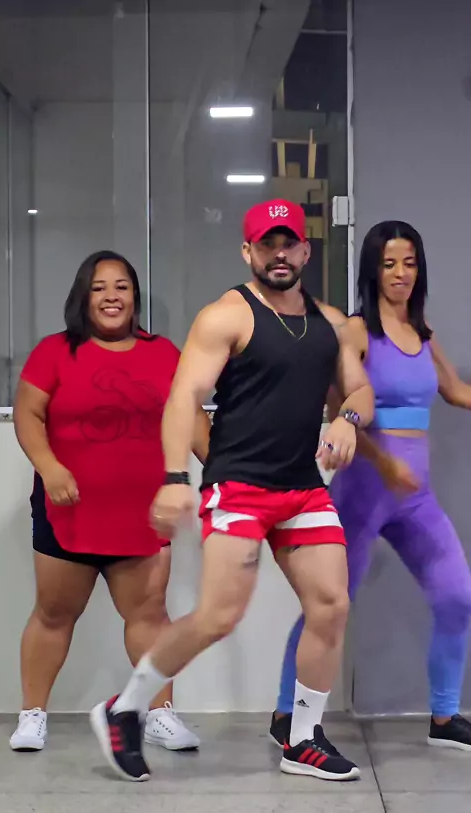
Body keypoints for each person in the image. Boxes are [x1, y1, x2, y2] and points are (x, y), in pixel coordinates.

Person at [89, 199, 374, 783]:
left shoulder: (331, 324)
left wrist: (348, 420)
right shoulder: (226, 315)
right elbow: (183, 397)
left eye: (288, 243)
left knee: (332, 605)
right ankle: (126, 709)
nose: (279, 254)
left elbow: (359, 391)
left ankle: (303, 738)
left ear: (305, 250)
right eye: (267, 244)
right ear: (248, 252)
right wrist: (175, 478)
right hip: (239, 485)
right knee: (219, 616)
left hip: (302, 489)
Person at [271, 220, 471, 752]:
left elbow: (456, 391)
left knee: (457, 597)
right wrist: (383, 463)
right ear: (372, 271)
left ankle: (445, 718)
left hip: (415, 497)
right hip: (363, 491)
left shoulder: (423, 333)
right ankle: (287, 711)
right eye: (389, 264)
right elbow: (341, 411)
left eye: (409, 263)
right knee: (329, 605)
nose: (400, 273)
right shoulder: (357, 332)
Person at [11, 250, 210, 753]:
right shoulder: (55, 351)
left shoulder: (163, 353)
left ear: (135, 297)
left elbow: (191, 420)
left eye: (121, 286)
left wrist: (226, 477)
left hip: (144, 514)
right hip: (68, 509)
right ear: (83, 297)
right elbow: (27, 414)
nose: (111, 297)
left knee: (150, 615)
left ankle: (157, 713)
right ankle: (32, 715)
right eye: (99, 288)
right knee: (54, 613)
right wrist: (50, 468)